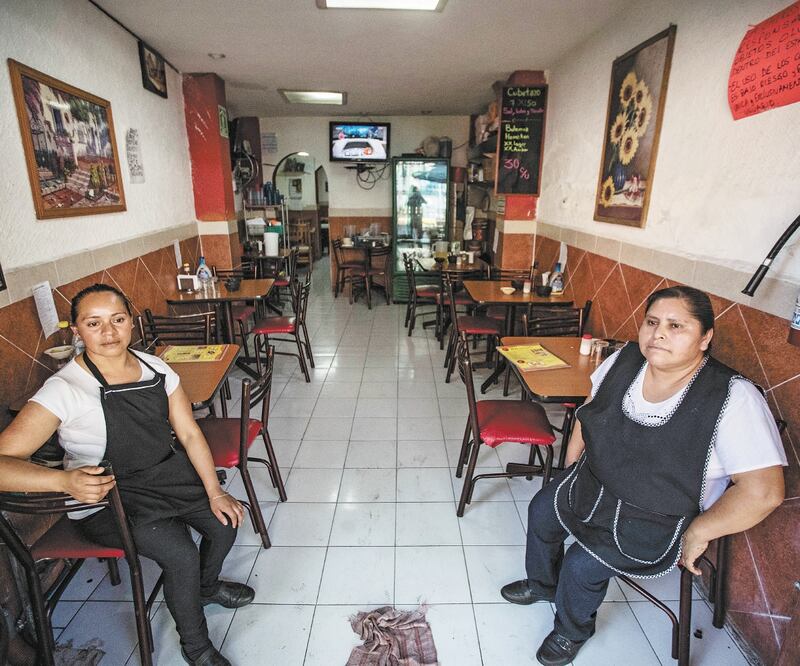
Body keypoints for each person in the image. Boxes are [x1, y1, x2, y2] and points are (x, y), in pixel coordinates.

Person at [500, 286, 786, 666]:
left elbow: (764, 492)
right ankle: (542, 584)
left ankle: (571, 630)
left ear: (705, 338)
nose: (659, 334)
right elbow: (590, 412)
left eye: (676, 325)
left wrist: (700, 531)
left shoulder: (733, 398)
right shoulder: (624, 360)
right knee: (541, 509)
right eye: (652, 322)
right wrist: (569, 469)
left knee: (581, 564)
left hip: (657, 514)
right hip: (593, 480)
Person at [0, 284, 253, 666]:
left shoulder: (157, 368)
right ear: (77, 332)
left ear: (131, 323)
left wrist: (215, 491)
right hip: (109, 497)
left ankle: (205, 587)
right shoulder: (64, 389)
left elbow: (187, 433)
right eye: (93, 323)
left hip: (167, 475)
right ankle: (197, 647)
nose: (108, 332)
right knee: (181, 555)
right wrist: (63, 481)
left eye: (117, 320)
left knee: (225, 523)